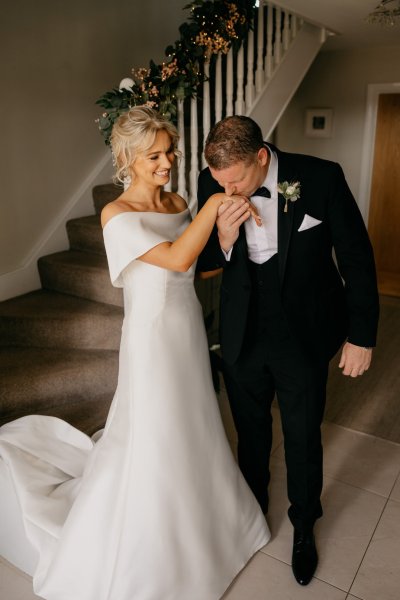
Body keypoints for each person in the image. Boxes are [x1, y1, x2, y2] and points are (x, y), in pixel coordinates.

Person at [0, 106, 270, 600]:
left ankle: (211, 522)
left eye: (169, 152)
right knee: (158, 428)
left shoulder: (179, 203)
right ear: (127, 157)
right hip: (151, 339)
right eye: (154, 155)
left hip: (187, 328)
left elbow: (200, 268)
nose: (166, 163)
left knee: (194, 420)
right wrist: (217, 207)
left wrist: (226, 237)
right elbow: (175, 257)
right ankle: (159, 541)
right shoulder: (115, 214)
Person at [196, 115, 379, 586]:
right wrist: (224, 238)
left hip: (303, 329)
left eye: (235, 180)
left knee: (301, 435)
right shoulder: (211, 179)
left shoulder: (320, 176)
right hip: (242, 329)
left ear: (261, 157)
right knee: (250, 431)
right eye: (219, 182)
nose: (227, 190)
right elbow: (205, 259)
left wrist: (362, 335)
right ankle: (253, 512)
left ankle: (303, 527)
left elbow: (356, 256)